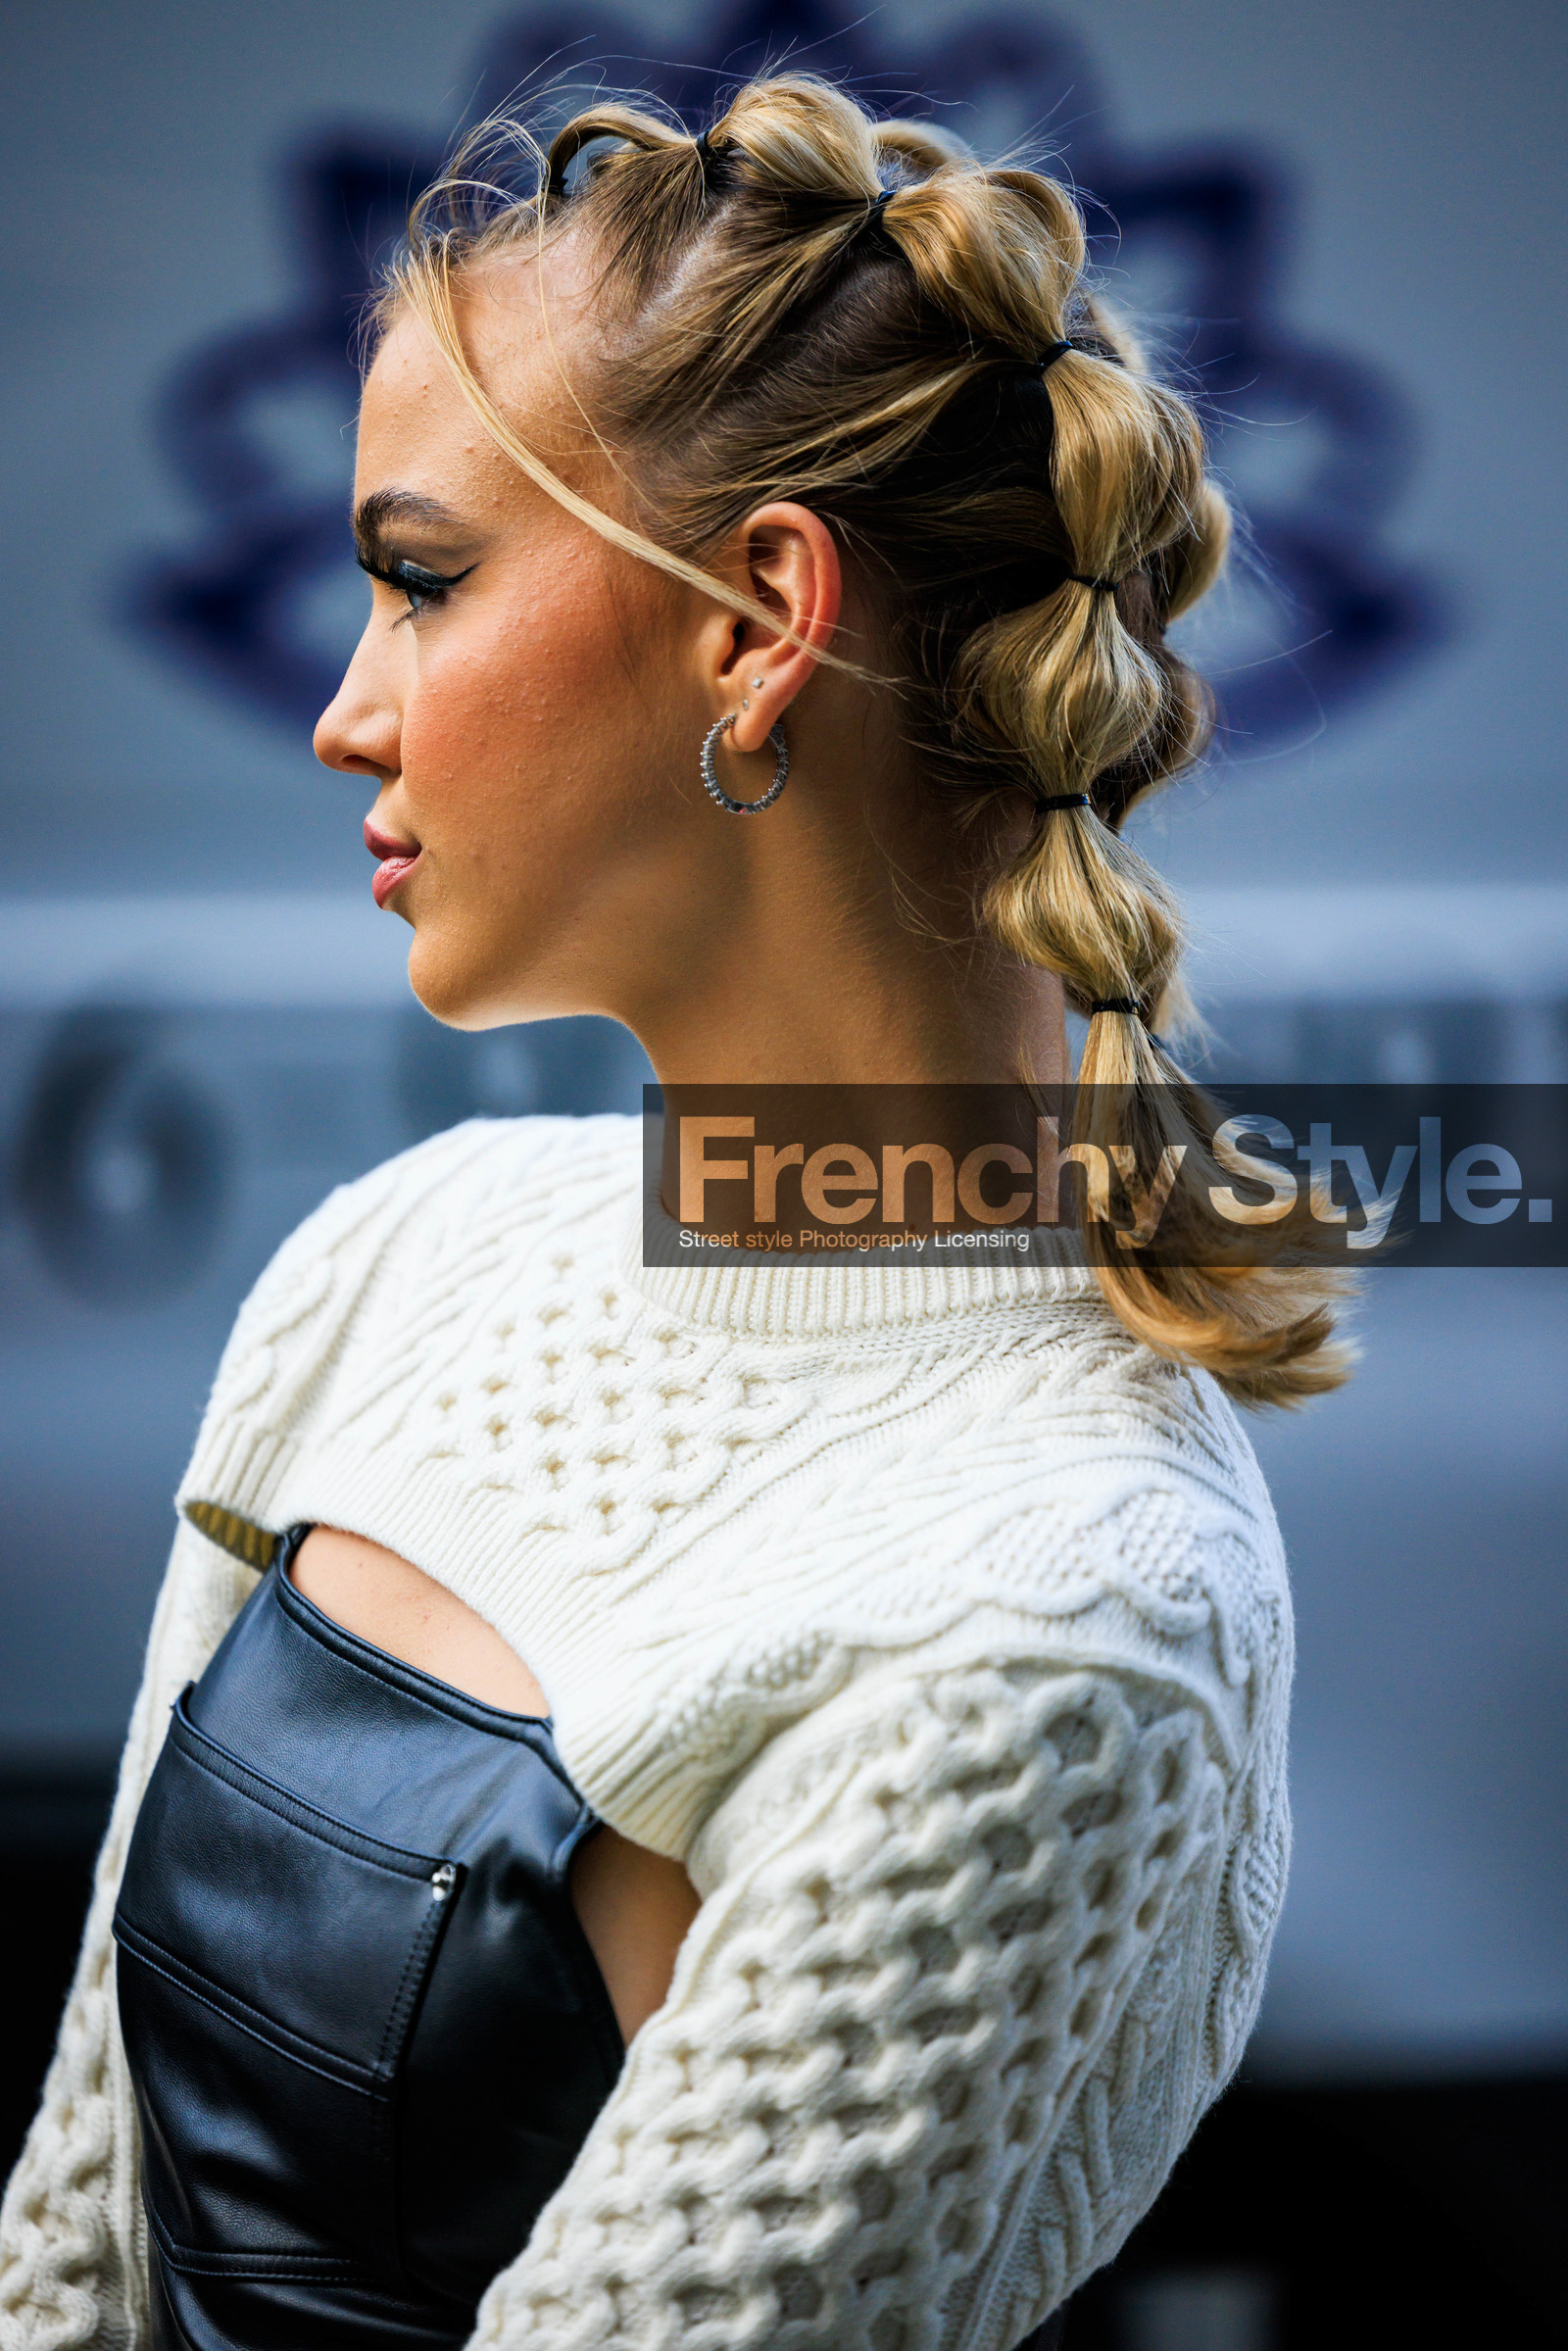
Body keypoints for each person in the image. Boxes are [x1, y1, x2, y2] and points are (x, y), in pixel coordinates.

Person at [0, 73, 1346, 2351]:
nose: (345, 712)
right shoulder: (405, 1259)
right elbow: (72, 2232)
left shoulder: (1073, 1600)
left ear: (755, 622)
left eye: (423, 581)